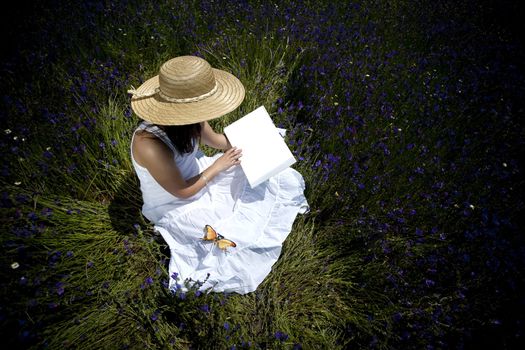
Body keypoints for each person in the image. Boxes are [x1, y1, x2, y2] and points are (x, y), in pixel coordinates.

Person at [128, 55, 309, 294]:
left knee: (269, 174)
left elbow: (217, 141)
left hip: (199, 174)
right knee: (226, 240)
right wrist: (218, 167)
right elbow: (182, 191)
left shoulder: (190, 119)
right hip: (173, 202)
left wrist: (254, 139)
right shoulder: (149, 144)